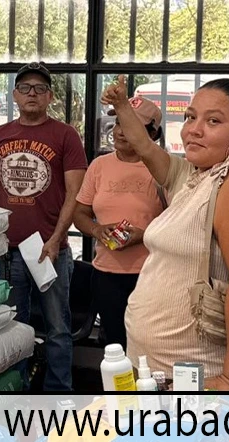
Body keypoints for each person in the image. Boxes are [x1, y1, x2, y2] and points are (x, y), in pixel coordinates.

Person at [101, 74, 229, 391]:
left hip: (201, 376)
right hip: (164, 367)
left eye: (213, 121)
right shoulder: (198, 175)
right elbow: (144, 146)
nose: (194, 129)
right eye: (190, 117)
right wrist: (122, 106)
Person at [0, 62, 87, 392]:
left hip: (49, 250)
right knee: (12, 327)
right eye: (25, 88)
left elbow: (75, 193)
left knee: (58, 328)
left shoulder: (65, 135)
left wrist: (56, 239)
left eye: (40, 88)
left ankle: (59, 393)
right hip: (7, 251)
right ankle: (17, 390)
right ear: (14, 95)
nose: (32, 94)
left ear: (50, 96)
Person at [72, 96, 167, 348]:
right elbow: (79, 214)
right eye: (118, 123)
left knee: (148, 347)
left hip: (151, 274)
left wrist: (143, 235)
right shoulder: (99, 166)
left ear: (152, 134)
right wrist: (97, 230)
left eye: (131, 124)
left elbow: (179, 224)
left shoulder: (163, 169)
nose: (121, 131)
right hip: (106, 275)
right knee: (115, 346)